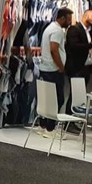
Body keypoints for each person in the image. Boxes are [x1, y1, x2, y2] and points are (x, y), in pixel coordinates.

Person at [37, 8, 72, 136]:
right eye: (68, 19)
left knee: (47, 99)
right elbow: (54, 49)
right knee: (57, 99)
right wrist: (61, 66)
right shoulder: (57, 31)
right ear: (62, 18)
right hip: (53, 70)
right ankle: (50, 129)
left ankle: (42, 125)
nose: (70, 22)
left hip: (46, 68)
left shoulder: (49, 28)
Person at [64, 9, 92, 117]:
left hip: (85, 68)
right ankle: (68, 118)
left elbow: (85, 49)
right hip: (76, 68)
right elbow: (74, 46)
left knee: (79, 95)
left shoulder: (88, 32)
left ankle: (74, 118)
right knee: (75, 94)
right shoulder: (74, 29)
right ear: (86, 15)